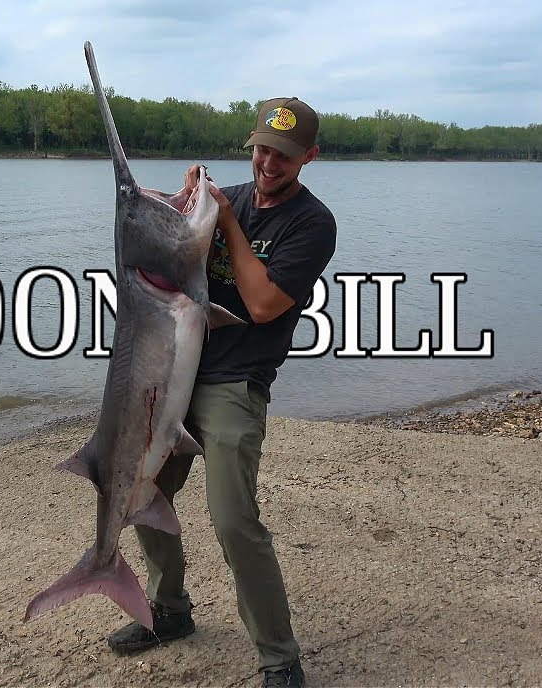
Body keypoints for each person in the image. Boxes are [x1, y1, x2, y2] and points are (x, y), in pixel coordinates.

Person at [106, 97, 337, 688]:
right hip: (176, 376)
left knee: (234, 519)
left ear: (308, 157)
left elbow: (262, 305)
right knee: (142, 489)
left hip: (237, 384)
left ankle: (280, 659)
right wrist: (177, 206)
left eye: (282, 155)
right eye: (260, 148)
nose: (267, 162)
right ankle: (168, 612)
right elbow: (172, 262)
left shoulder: (312, 224)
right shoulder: (226, 198)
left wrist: (227, 223)